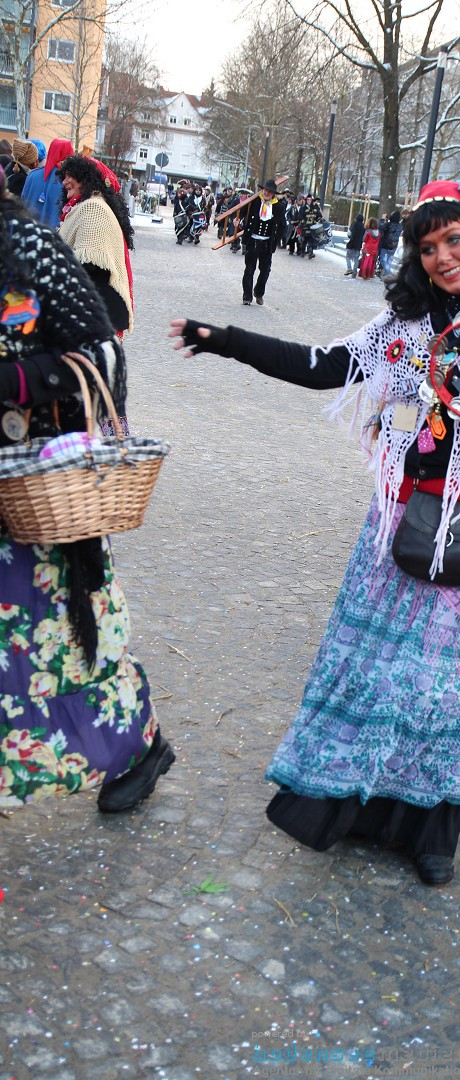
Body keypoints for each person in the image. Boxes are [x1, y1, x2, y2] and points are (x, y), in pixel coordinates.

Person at [168, 172, 460, 885]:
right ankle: (343, 808)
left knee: (442, 684)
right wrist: (225, 340)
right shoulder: (410, 320)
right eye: (426, 247)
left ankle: (429, 833)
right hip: (395, 524)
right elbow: (329, 365)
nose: (440, 258)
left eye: (452, 239)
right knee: (369, 669)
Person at [0, 166, 175, 812]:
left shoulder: (30, 251)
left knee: (61, 645)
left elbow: (103, 357)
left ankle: (137, 743)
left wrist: (15, 383)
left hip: (35, 497)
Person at [58, 155, 134, 336]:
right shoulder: (85, 206)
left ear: (86, 178)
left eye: (71, 176)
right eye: (64, 176)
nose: (65, 182)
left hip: (91, 318)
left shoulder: (93, 208)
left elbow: (91, 267)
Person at [239, 179, 284, 305]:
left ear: (273, 193)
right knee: (249, 269)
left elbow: (282, 226)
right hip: (252, 240)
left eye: (269, 191)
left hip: (267, 244)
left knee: (265, 271)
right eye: (265, 190)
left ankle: (258, 293)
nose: (266, 193)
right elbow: (240, 213)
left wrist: (277, 239)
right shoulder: (253, 202)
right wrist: (237, 222)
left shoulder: (279, 206)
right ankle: (247, 297)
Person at [20, 138, 74, 228]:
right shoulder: (70, 181)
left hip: (29, 230)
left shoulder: (32, 175)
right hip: (55, 235)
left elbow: (22, 203)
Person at [379, 210, 403, 275]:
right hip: (394, 245)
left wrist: (382, 219)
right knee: (389, 261)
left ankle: (388, 273)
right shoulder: (400, 226)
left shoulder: (388, 224)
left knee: (383, 259)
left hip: (385, 244)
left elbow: (380, 227)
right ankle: (385, 275)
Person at [345, 212, 365, 277]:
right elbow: (363, 238)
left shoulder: (354, 224)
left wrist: (350, 237)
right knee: (356, 259)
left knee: (348, 256)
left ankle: (349, 268)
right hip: (358, 245)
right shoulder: (363, 228)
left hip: (352, 243)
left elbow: (349, 233)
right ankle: (354, 271)